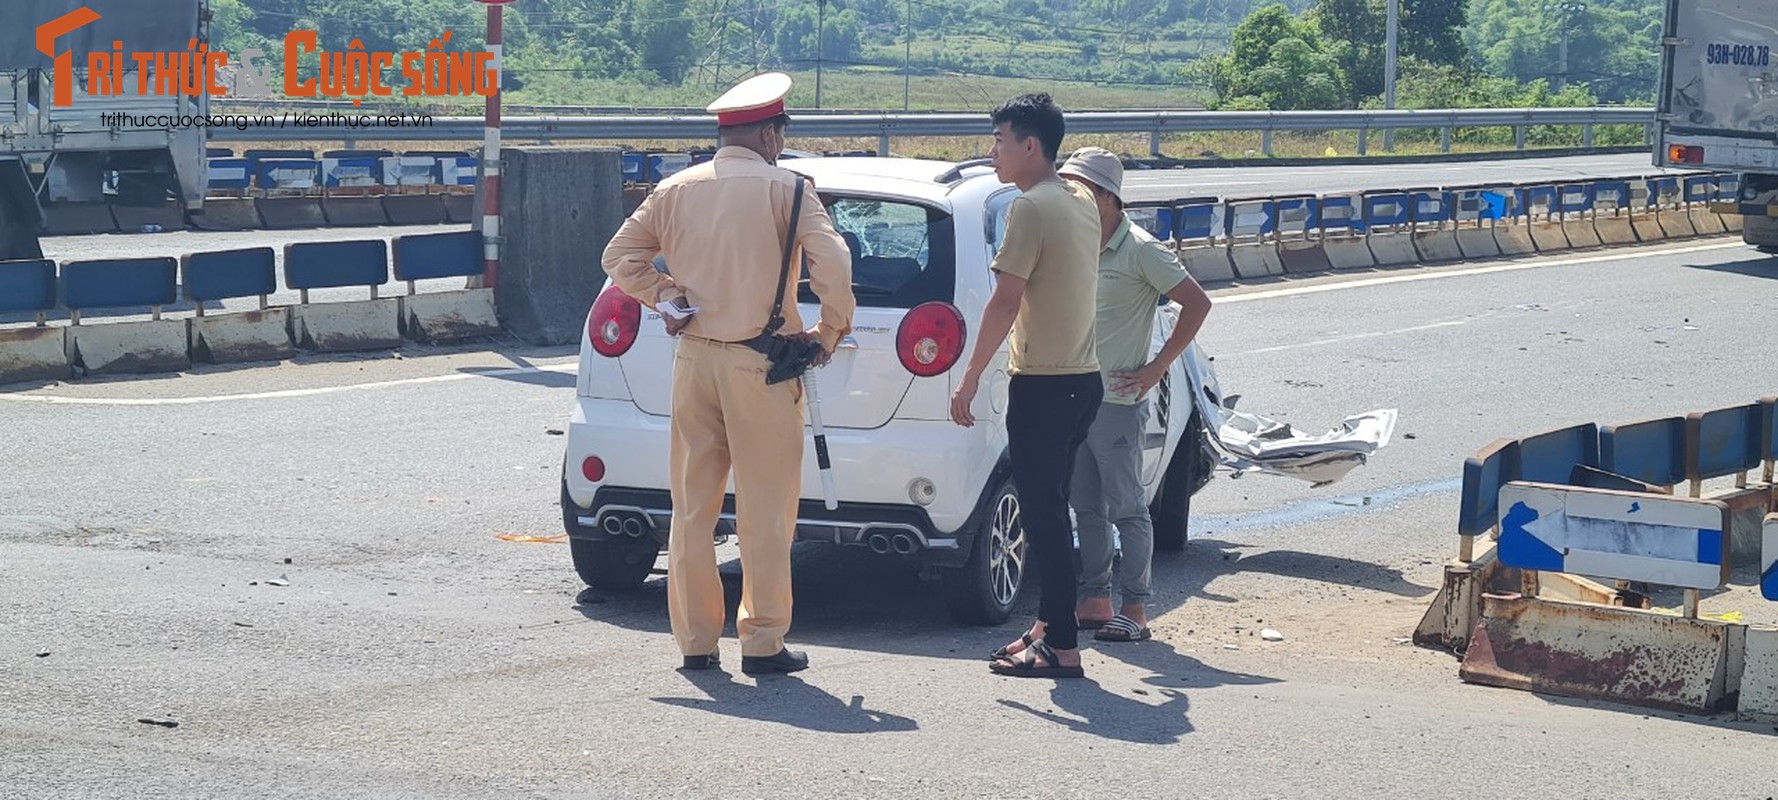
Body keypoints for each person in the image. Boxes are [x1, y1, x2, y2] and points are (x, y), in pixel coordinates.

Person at [601, 72, 855, 676]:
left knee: (692, 506)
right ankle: (763, 640)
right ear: (770, 133)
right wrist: (829, 332)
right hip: (762, 364)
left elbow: (618, 258)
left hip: (694, 360)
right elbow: (834, 262)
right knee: (764, 509)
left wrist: (666, 294)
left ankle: (695, 640)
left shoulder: (675, 188)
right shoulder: (789, 189)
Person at [949, 93, 1103, 679]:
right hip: (1080, 380)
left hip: (1045, 385)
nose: (992, 151)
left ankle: (1062, 648)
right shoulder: (1081, 198)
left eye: (1000, 139)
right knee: (1049, 510)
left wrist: (967, 379)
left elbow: (1005, 301)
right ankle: (1047, 623)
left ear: (1029, 146)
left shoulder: (1031, 209)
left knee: (1043, 518)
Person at [1057, 146, 1213, 644]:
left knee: (1127, 507)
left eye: (1077, 188)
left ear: (1106, 197)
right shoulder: (1075, 240)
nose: (1068, 196)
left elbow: (1197, 303)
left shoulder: (1141, 249)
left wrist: (1156, 368)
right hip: (1074, 396)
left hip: (1118, 402)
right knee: (1086, 506)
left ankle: (1137, 608)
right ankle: (1095, 597)